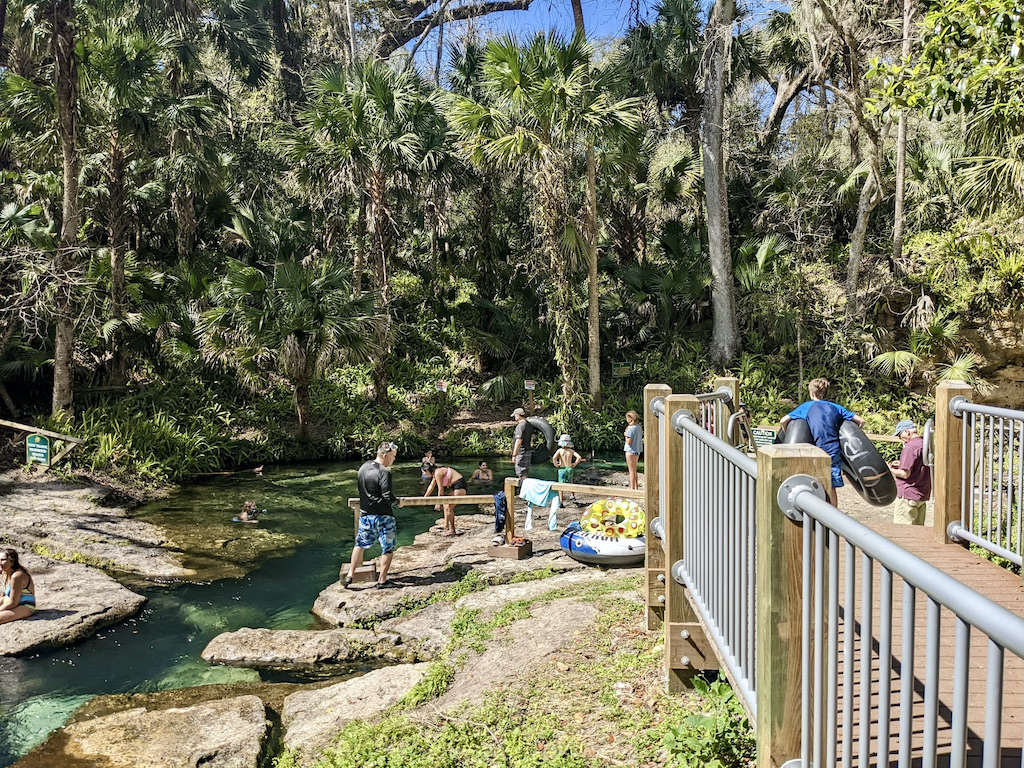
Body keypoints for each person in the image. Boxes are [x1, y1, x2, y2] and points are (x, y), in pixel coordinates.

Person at [779, 378, 865, 508]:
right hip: (833, 449)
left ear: (811, 393)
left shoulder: (807, 406)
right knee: (830, 486)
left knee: (811, 481)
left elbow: (783, 421)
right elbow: (861, 421)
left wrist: (788, 434)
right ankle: (833, 517)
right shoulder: (836, 407)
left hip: (815, 451)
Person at [344, 442, 400, 590]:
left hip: (365, 514)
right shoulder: (384, 472)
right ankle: (382, 581)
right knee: (387, 548)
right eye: (393, 457)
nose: (393, 460)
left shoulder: (363, 468)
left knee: (360, 544)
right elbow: (387, 496)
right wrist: (397, 502)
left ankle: (350, 574)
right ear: (385, 455)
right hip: (383, 516)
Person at [889, 420, 931, 525]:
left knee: (903, 531)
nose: (899, 438)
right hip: (921, 494)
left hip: (907, 495)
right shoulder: (925, 444)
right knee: (918, 532)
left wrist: (889, 470)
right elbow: (919, 465)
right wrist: (901, 463)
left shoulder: (910, 447)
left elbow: (905, 474)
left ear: (907, 432)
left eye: (900, 434)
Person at [424, 464, 467, 536]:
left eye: (424, 472)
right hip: (456, 486)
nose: (424, 474)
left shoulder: (438, 473)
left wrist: (438, 503)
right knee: (445, 504)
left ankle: (452, 530)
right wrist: (424, 498)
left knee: (449, 507)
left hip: (459, 485)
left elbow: (441, 490)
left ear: (427, 471)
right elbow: (431, 486)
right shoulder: (436, 473)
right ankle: (446, 525)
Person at [0, 549, 36, 625]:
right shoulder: (5, 573)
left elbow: (13, 603)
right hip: (8, 601)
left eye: (3, 560)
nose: (0, 562)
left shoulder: (17, 576)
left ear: (12, 561)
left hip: (24, 606)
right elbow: (4, 594)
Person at [552, 434, 585, 505]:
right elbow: (579, 457)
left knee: (561, 485)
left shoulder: (560, 450)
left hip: (562, 469)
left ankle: (561, 501)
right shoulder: (571, 451)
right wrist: (574, 464)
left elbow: (554, 458)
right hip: (569, 468)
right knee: (570, 482)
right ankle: (572, 496)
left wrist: (556, 464)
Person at [510, 407, 534, 479]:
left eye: (515, 415)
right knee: (525, 473)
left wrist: (514, 455)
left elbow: (518, 441)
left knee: (521, 473)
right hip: (528, 451)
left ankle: (522, 488)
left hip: (521, 452)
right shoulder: (529, 424)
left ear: (518, 415)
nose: (514, 417)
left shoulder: (520, 426)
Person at [624, 411, 643, 491]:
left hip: (630, 450)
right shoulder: (639, 427)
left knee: (631, 470)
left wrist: (625, 435)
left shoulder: (631, 428)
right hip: (637, 450)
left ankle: (632, 488)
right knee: (635, 470)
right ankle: (636, 487)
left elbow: (629, 441)